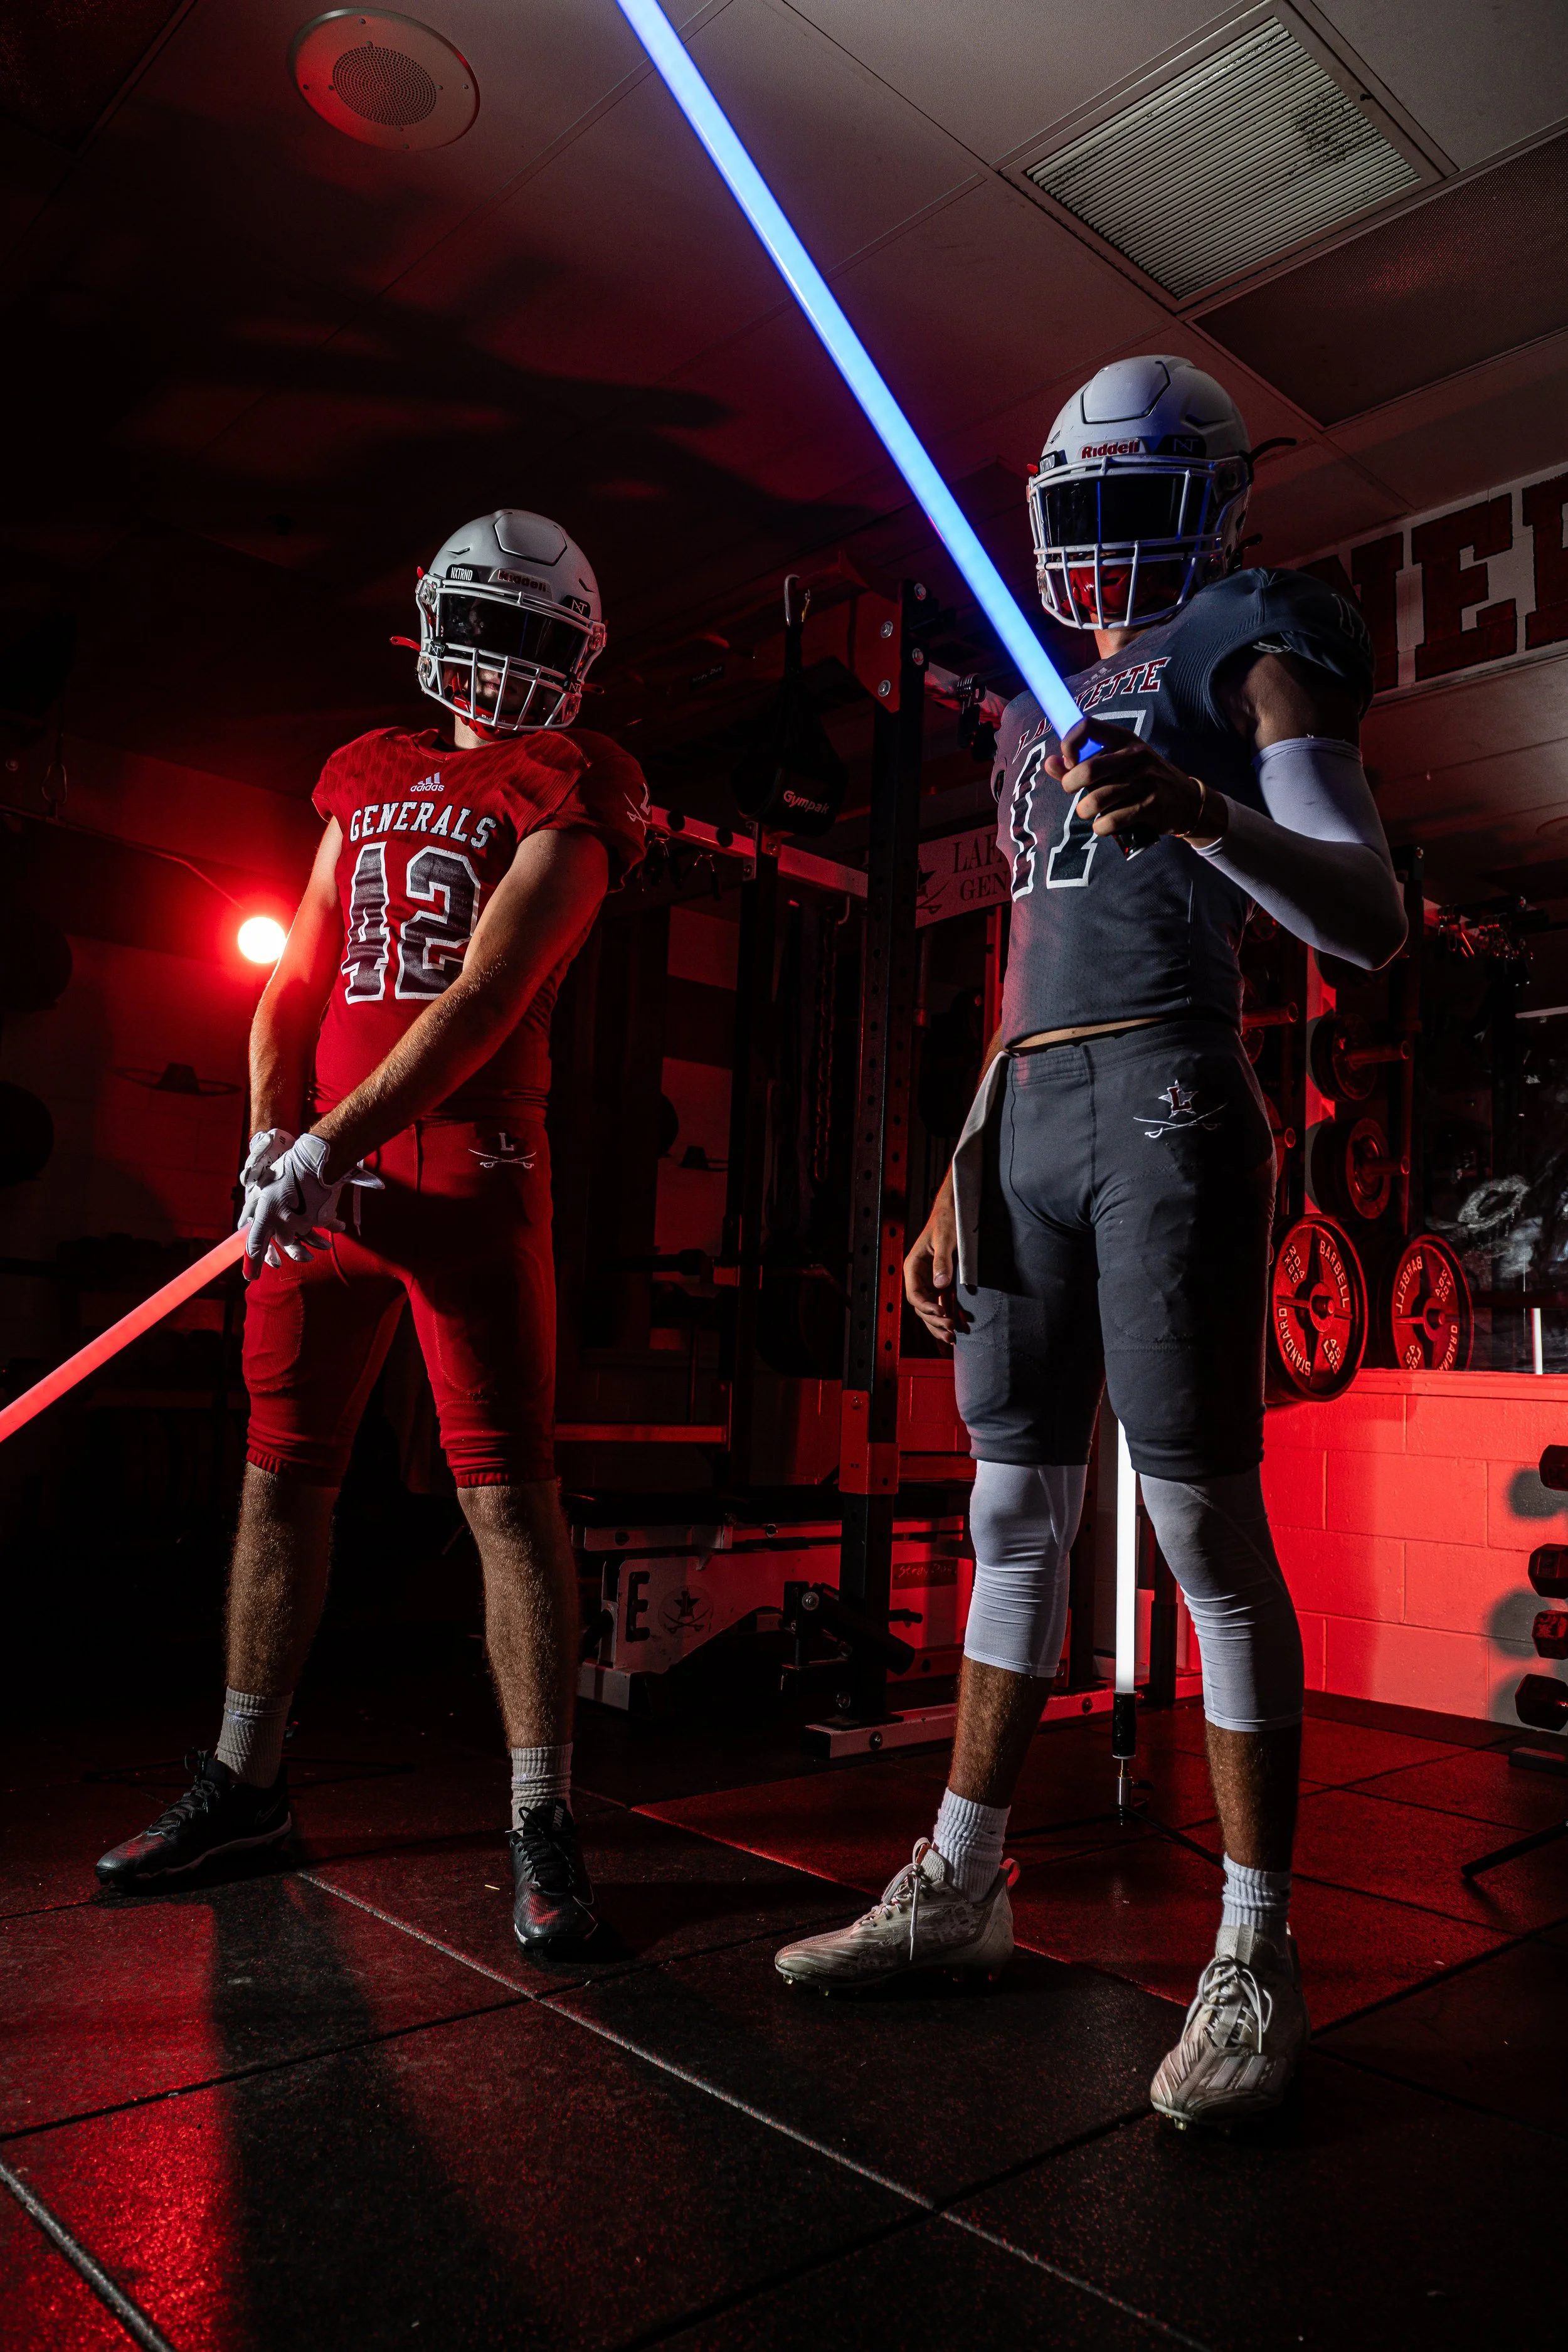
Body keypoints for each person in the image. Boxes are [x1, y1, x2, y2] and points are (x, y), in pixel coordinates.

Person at [775, 357, 1406, 2127]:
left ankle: (1253, 1943)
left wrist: (1208, 808)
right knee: (1000, 1502)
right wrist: (950, 1162)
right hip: (1037, 1105)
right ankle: (964, 1879)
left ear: (1209, 505)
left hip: (1168, 1096)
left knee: (1197, 1510)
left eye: (1134, 506)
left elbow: (1367, 917)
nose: (1102, 549)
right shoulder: (1029, 699)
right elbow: (1020, 971)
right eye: (1082, 512)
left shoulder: (1250, 634)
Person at [97, 511, 648, 1954]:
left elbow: (482, 994)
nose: (512, 662)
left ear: (578, 657)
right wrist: (268, 1139)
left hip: (468, 1162)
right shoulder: (368, 769)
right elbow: (297, 966)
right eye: (500, 625)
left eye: (543, 636)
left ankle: (542, 1815)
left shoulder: (575, 785)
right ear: (432, 618)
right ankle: (246, 1779)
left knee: (502, 1494)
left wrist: (330, 1139)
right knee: (281, 1477)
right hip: (321, 1177)